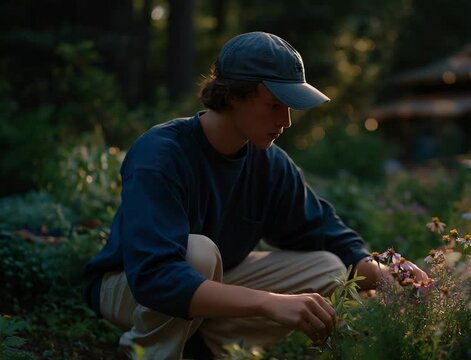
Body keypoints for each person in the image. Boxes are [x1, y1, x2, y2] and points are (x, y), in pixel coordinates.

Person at [83, 31, 427, 359]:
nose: (287, 121)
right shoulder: (161, 154)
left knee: (329, 266)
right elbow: (156, 276)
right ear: (233, 95)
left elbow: (325, 233)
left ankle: (208, 346)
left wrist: (391, 274)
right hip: (128, 285)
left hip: (210, 279)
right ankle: (151, 353)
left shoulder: (269, 162)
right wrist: (267, 302)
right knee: (197, 252)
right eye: (275, 104)